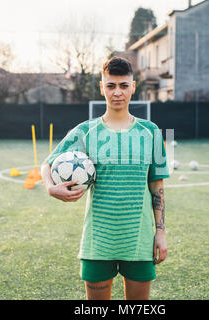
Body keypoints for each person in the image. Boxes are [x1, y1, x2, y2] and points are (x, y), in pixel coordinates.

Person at [41, 56, 169, 300]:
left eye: (123, 86)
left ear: (133, 87)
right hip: (97, 242)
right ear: (102, 88)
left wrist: (160, 233)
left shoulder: (151, 132)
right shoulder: (85, 131)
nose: (117, 92)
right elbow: (47, 163)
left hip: (139, 240)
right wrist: (50, 187)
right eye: (111, 86)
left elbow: (157, 185)